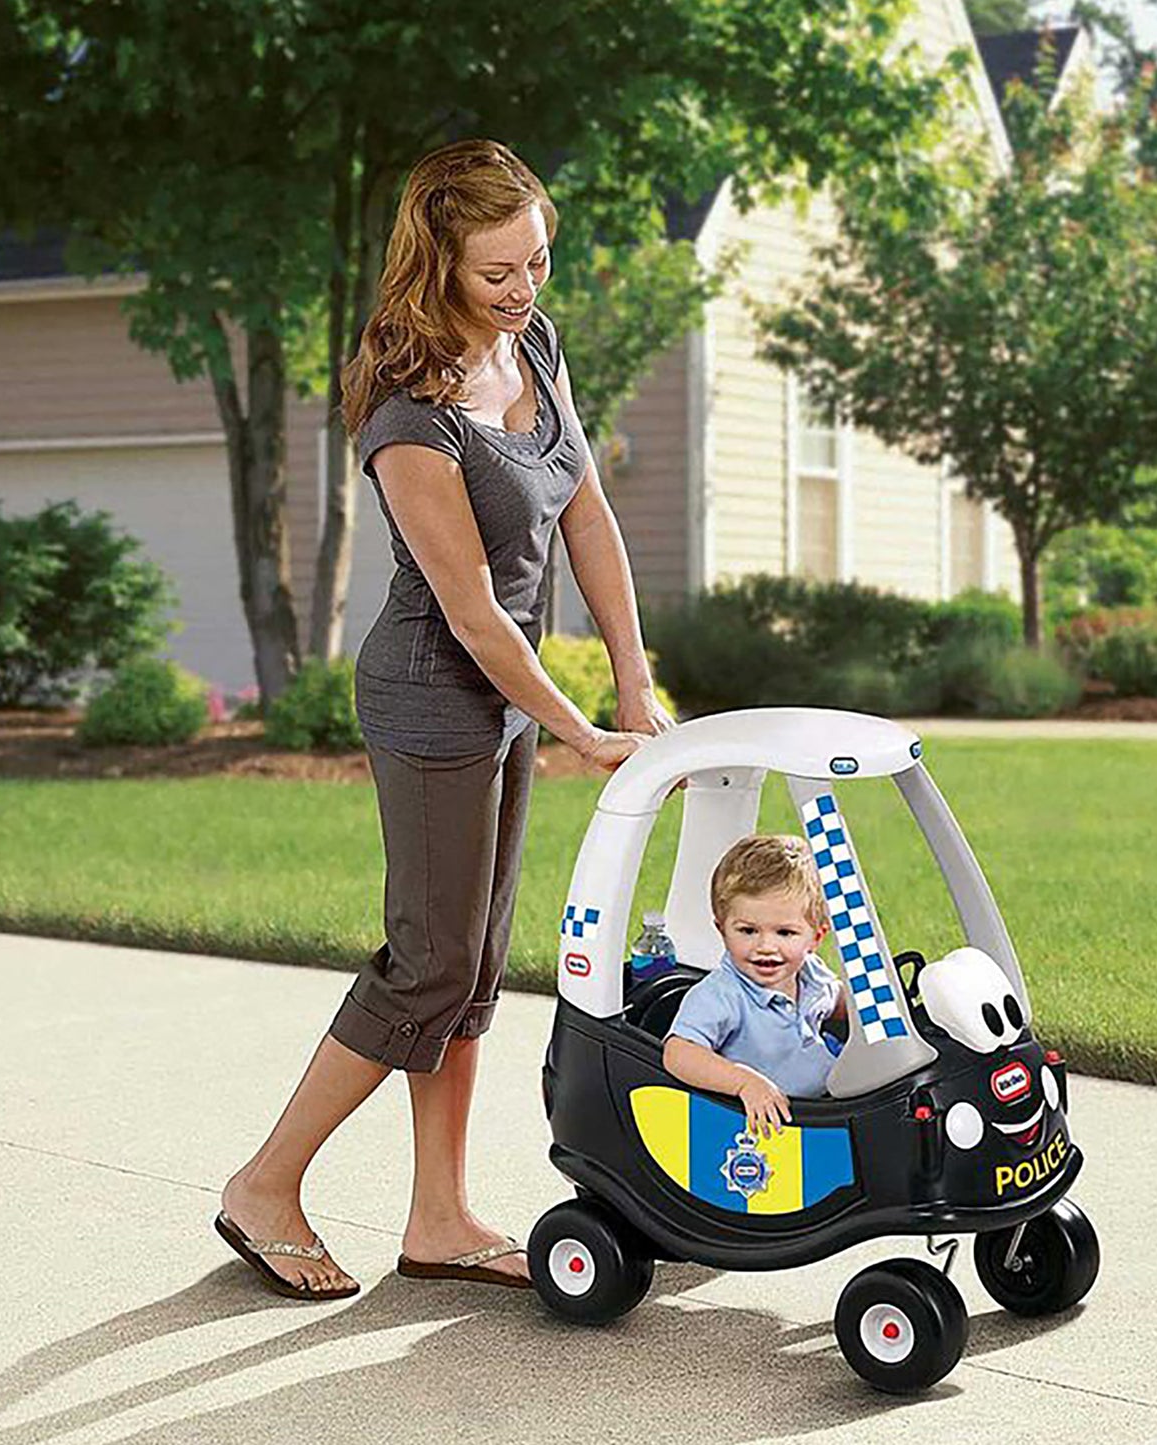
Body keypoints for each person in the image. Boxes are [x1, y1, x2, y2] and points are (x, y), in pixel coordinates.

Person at [215, 139, 672, 1300]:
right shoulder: (408, 409)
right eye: (497, 273)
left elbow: (588, 513)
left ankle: (439, 1217)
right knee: (428, 965)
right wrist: (577, 727)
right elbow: (473, 616)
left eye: (538, 260)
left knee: (471, 976)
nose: (525, 289)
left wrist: (630, 682)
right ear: (436, 266)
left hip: (505, 702)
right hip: (433, 695)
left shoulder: (534, 344)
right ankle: (264, 1182)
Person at [662, 835, 844, 1140]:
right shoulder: (723, 995)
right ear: (722, 929)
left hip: (827, 1109)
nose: (765, 947)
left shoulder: (812, 974)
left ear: (815, 938)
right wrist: (744, 1082)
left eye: (785, 932)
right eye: (747, 930)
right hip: (768, 1130)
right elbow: (678, 1054)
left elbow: (841, 1005)